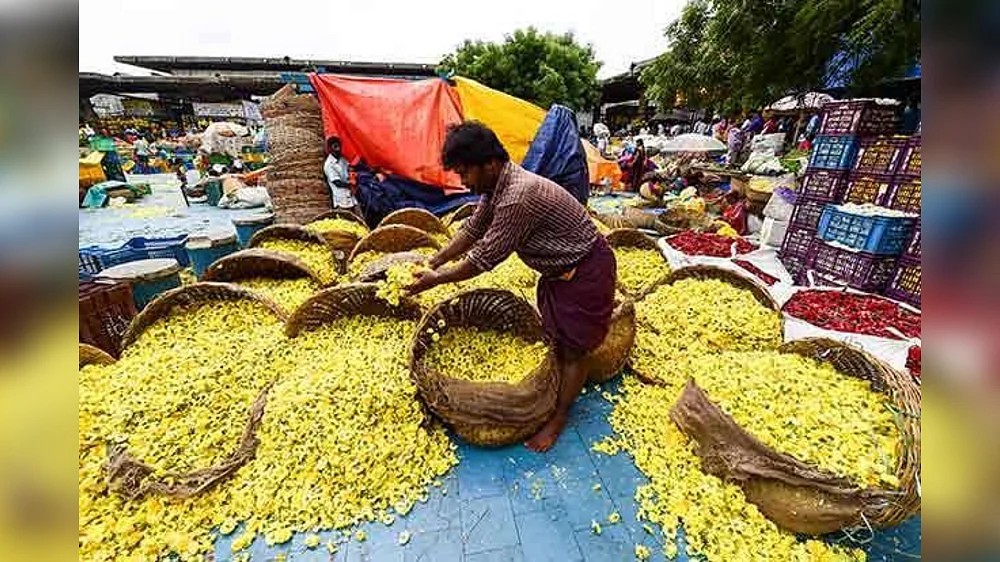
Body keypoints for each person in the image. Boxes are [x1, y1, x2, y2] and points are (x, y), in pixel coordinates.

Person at [405, 122, 617, 452]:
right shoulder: (496, 188)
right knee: (558, 338)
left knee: (576, 348)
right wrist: (434, 261)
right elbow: (473, 230)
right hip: (558, 273)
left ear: (489, 163)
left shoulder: (518, 196)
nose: (463, 182)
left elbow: (485, 257)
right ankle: (561, 385)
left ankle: (559, 416)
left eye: (465, 173)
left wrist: (438, 279)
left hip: (586, 269)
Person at [323, 136, 358, 211]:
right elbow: (337, 182)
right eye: (335, 147)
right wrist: (350, 185)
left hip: (351, 197)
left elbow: (349, 168)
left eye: (339, 146)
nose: (338, 149)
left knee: (358, 219)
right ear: (330, 149)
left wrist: (353, 174)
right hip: (341, 200)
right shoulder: (329, 164)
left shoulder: (342, 159)